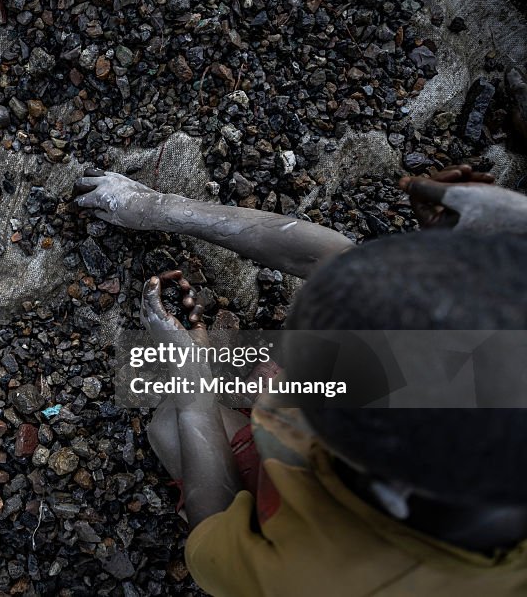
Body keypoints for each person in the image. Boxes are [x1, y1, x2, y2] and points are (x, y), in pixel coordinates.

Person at [75, 166, 527, 594]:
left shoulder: (313, 577)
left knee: (169, 423)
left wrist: (194, 393)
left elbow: (209, 524)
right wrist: (474, 248)